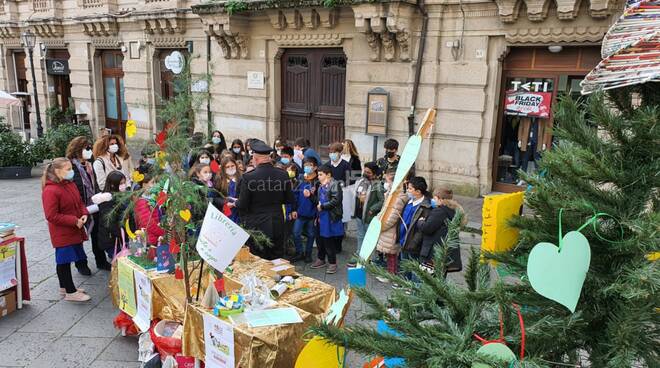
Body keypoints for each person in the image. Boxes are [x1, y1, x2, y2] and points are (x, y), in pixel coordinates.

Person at [41, 158, 91, 302]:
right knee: (64, 261)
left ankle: (64, 287)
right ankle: (70, 291)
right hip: (63, 231)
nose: (71, 172)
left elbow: (80, 202)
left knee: (65, 260)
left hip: (75, 228)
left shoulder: (69, 184)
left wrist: (84, 213)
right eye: (68, 169)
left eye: (71, 168)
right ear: (57, 171)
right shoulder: (50, 190)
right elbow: (51, 215)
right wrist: (74, 221)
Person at [236, 139, 295, 259]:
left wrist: (235, 202)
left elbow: (242, 204)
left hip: (257, 225)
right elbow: (288, 199)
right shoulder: (283, 174)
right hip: (277, 222)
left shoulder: (248, 177)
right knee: (277, 259)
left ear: (256, 159)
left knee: (259, 260)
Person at [66, 136, 112, 272]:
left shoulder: (90, 164)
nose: (90, 150)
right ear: (78, 149)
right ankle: (81, 264)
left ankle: (101, 261)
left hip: (94, 205)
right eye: (87, 148)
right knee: (78, 237)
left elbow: (96, 184)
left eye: (90, 148)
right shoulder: (70, 167)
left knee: (97, 234)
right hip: (77, 206)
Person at [418, 188, 467, 274]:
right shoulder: (454, 210)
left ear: (440, 199)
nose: (433, 200)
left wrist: (420, 222)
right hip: (444, 250)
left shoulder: (440, 211)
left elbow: (427, 228)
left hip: (433, 252)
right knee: (440, 277)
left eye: (434, 198)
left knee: (428, 279)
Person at [310, 164, 344, 273]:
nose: (318, 176)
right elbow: (319, 201)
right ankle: (321, 259)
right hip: (321, 216)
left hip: (329, 216)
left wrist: (323, 206)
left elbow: (336, 200)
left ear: (328, 175)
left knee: (328, 240)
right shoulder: (320, 186)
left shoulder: (335, 184)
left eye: (320, 174)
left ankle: (332, 263)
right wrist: (310, 195)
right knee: (319, 239)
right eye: (318, 174)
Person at [350, 162, 384, 266]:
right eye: (364, 171)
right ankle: (360, 254)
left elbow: (382, 201)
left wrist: (372, 209)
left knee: (369, 238)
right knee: (360, 235)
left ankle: (371, 258)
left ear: (374, 174)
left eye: (368, 172)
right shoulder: (361, 181)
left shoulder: (377, 185)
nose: (365, 173)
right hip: (359, 213)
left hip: (369, 215)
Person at [399, 177, 433, 278]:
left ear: (418, 191)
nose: (407, 191)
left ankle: (411, 287)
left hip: (413, 244)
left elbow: (421, 230)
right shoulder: (409, 202)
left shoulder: (426, 207)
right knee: (405, 265)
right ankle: (404, 282)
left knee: (413, 267)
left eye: (410, 189)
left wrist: (413, 243)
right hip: (403, 240)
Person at [376, 182, 408, 278]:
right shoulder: (392, 196)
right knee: (389, 254)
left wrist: (381, 226)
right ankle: (390, 272)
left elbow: (392, 217)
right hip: (387, 228)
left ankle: (391, 275)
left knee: (392, 254)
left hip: (391, 230)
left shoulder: (398, 199)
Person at [291, 157, 319, 263]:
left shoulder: (317, 181)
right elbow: (295, 195)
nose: (307, 167)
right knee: (296, 233)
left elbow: (319, 199)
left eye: (310, 165)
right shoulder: (301, 178)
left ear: (315, 167)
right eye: (305, 165)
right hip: (300, 212)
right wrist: (294, 209)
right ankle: (299, 252)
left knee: (311, 234)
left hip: (312, 214)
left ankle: (308, 254)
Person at [96, 171, 127, 260]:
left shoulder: (120, 195)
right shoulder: (107, 200)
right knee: (117, 259)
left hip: (119, 236)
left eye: (124, 182)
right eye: (121, 183)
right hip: (111, 238)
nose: (123, 185)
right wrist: (121, 234)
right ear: (113, 185)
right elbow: (109, 222)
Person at [134, 173, 165, 256]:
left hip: (155, 236)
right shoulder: (142, 202)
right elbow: (148, 223)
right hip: (150, 238)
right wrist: (162, 232)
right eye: (152, 182)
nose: (155, 185)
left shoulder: (152, 198)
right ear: (144, 185)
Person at [214, 157, 242, 223]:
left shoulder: (242, 178)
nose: (230, 168)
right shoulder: (219, 179)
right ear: (223, 168)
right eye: (227, 167)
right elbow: (216, 197)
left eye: (232, 165)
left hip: (240, 209)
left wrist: (238, 202)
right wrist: (225, 203)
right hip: (226, 210)